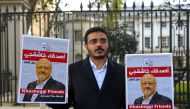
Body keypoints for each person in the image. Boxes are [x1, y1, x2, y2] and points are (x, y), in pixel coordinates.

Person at [48, 27, 125, 109]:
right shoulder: (73, 70)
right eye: (93, 41)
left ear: (108, 43)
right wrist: (45, 94)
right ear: (86, 46)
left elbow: (127, 102)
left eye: (103, 41)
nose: (99, 44)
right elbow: (63, 104)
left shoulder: (122, 71)